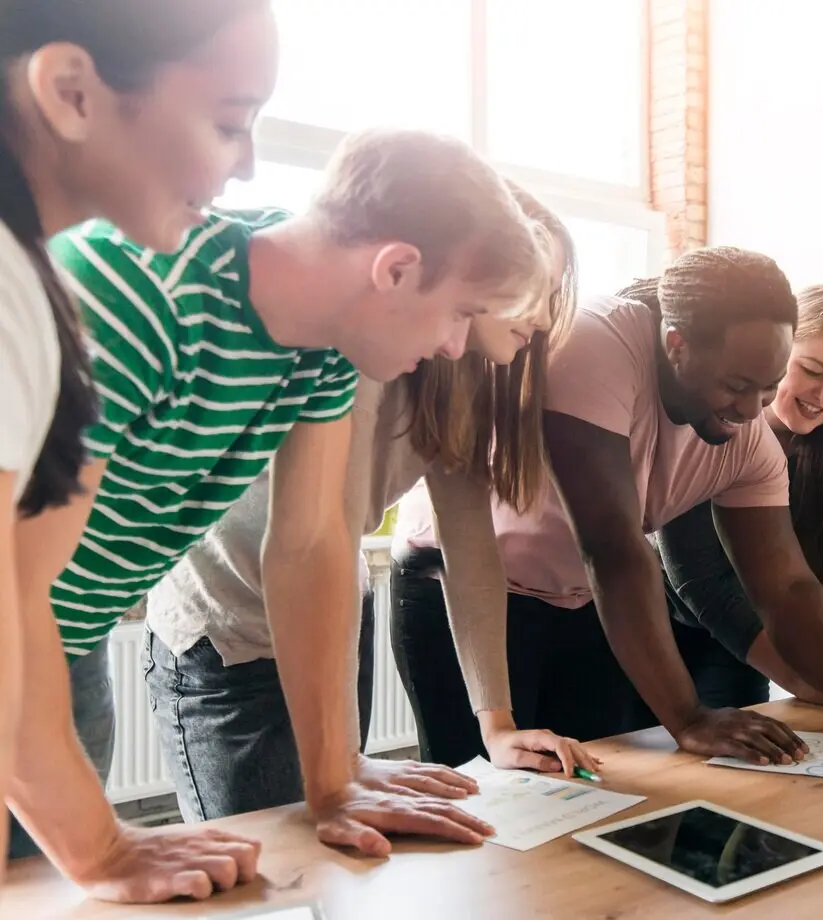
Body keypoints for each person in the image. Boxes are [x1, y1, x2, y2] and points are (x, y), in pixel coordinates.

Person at [7, 128, 550, 902]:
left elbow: (310, 543)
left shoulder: (324, 343)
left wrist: (335, 782)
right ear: (395, 269)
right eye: (460, 313)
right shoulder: (145, 294)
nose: (455, 345)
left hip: (67, 639)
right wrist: (100, 848)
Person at [143, 186, 596, 819]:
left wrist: (495, 724)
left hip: (329, 626)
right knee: (265, 877)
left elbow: (471, 551)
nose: (545, 317)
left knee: (338, 854)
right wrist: (340, 770)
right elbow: (311, 538)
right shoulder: (352, 351)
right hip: (227, 641)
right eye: (528, 290)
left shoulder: (455, 374)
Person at [1, 0, 280, 897]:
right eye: (229, 122)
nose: (247, 165)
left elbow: (17, 595)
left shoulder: (34, 289)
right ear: (73, 90)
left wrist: (101, 850)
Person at [489, 248, 823, 767]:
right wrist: (690, 717)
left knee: (591, 790)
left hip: (584, 605)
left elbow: (786, 587)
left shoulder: (749, 442)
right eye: (737, 386)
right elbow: (614, 550)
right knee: (486, 810)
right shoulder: (597, 343)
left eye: (767, 389)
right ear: (677, 346)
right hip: (485, 595)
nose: (749, 411)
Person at [652, 284, 823, 709]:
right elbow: (699, 579)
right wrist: (806, 677)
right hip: (664, 629)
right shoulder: (717, 422)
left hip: (744, 642)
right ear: (776, 355)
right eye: (811, 371)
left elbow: (821, 573)